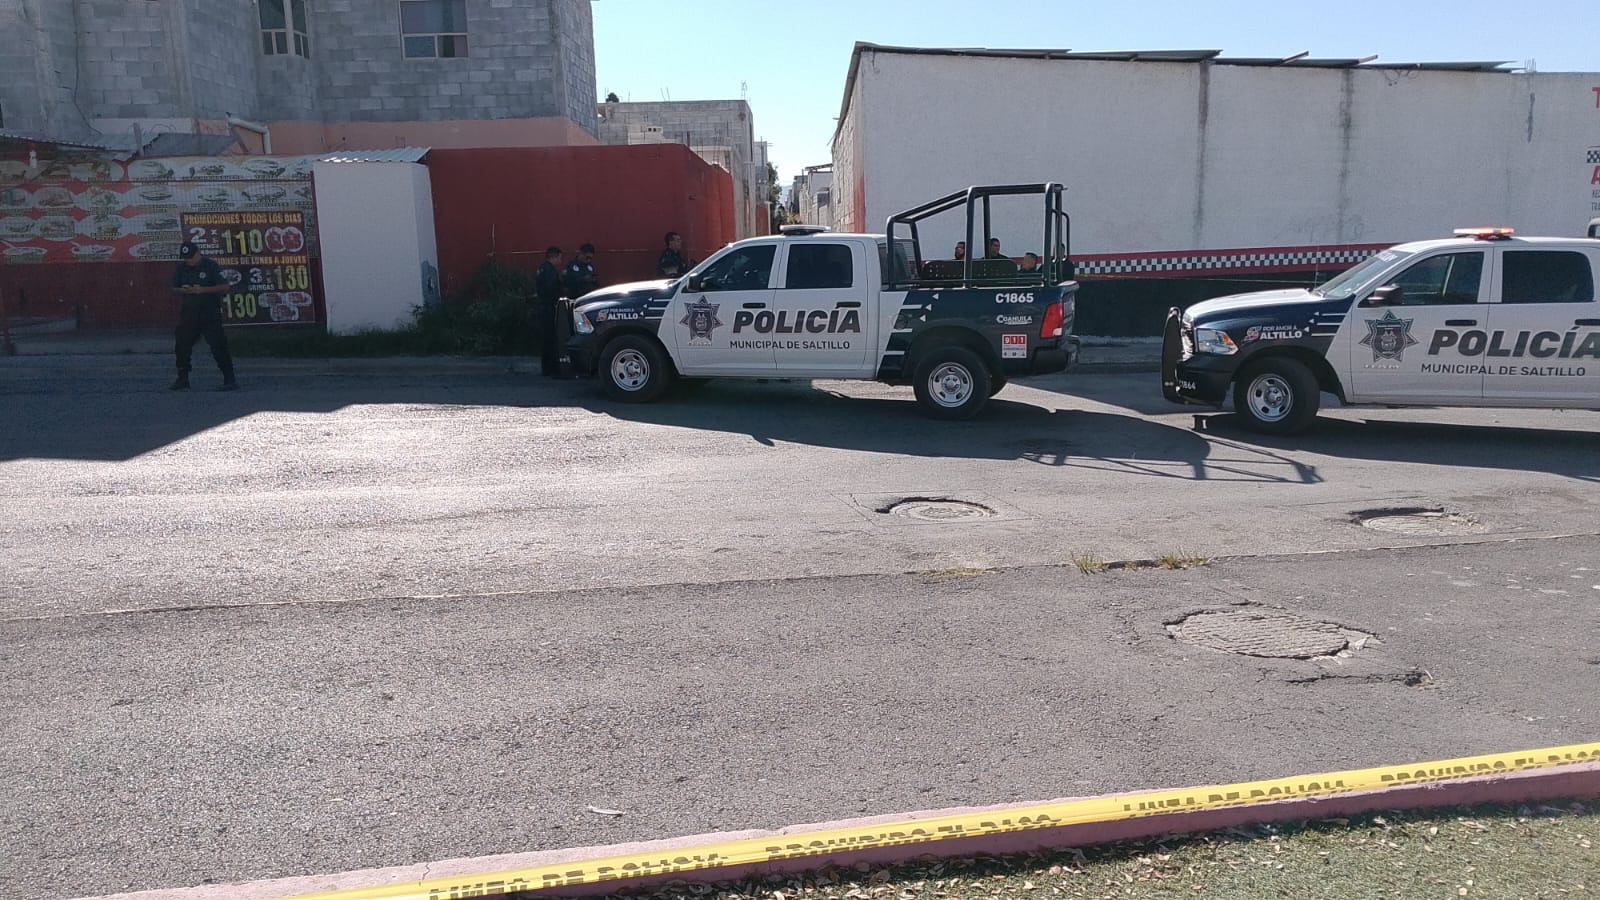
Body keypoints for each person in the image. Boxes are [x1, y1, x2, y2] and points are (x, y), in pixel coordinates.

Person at [169, 241, 236, 391]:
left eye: (191, 257)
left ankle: (229, 379)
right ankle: (182, 378)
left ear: (198, 253)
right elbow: (174, 287)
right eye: (186, 258)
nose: (188, 261)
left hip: (209, 313)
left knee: (218, 345)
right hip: (189, 313)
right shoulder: (181, 268)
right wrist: (184, 290)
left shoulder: (210, 266)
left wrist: (203, 290)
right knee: (182, 345)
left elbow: (224, 286)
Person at [535, 246, 565, 377]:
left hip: (543, 307)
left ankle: (546, 369)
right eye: (559, 257)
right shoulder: (549, 271)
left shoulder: (542, 269)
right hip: (549, 308)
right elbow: (551, 289)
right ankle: (553, 369)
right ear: (554, 257)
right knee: (551, 339)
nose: (560, 261)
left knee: (546, 339)